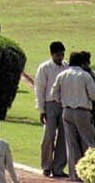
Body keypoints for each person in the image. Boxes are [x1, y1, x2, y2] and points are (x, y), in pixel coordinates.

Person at [52, 50, 95, 176]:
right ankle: (89, 173)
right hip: (83, 111)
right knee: (88, 142)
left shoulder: (62, 75)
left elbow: (54, 93)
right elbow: (94, 95)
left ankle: (74, 175)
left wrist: (62, 100)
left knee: (71, 145)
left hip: (67, 111)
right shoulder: (85, 76)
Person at [33, 41, 68, 177]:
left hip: (64, 104)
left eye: (62, 54)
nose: (60, 57)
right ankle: (46, 166)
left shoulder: (66, 67)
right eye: (58, 55)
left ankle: (58, 168)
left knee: (63, 137)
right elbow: (39, 89)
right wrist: (41, 110)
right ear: (52, 54)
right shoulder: (44, 68)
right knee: (48, 136)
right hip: (49, 105)